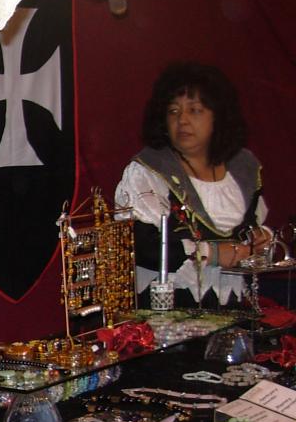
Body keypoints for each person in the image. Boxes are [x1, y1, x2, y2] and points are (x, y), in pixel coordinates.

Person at [115, 62, 270, 306]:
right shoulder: (148, 171)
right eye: (174, 111)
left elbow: (250, 231)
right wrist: (215, 254)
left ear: (218, 116)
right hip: (167, 312)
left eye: (195, 110)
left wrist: (260, 240)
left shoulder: (243, 168)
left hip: (234, 305)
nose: (182, 120)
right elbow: (142, 247)